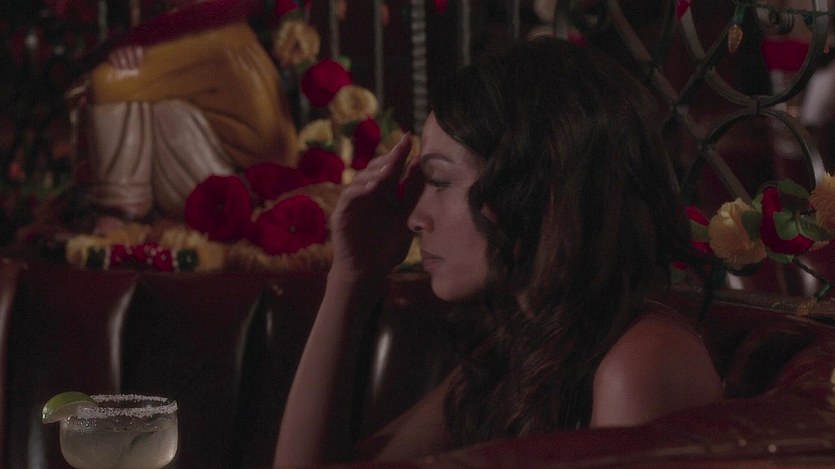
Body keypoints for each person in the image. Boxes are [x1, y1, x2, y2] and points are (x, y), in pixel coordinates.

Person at [273, 37, 723, 467]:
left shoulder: (641, 362)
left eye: (439, 181)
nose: (416, 217)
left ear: (538, 187)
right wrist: (350, 278)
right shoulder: (524, 349)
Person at [84, 0, 298, 233]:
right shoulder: (213, 27)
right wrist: (136, 46)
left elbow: (108, 82)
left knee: (114, 82)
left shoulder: (216, 36)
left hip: (244, 192)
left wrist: (135, 50)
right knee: (163, 106)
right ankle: (127, 207)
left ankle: (121, 209)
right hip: (224, 175)